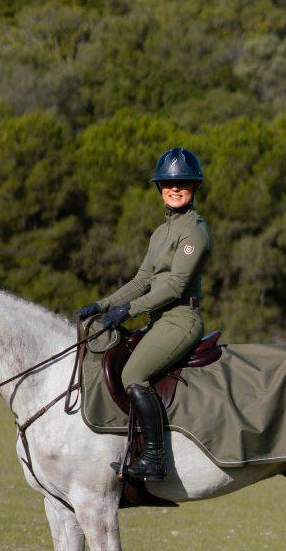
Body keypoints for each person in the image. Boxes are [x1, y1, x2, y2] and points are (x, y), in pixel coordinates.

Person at [77, 148, 211, 481]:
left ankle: (154, 459)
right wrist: (103, 305)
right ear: (160, 188)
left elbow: (176, 286)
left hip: (181, 319)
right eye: (168, 183)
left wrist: (127, 312)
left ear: (194, 188)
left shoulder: (194, 230)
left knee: (133, 375)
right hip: (158, 321)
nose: (174, 188)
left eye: (182, 183)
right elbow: (142, 280)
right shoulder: (160, 233)